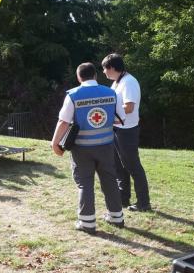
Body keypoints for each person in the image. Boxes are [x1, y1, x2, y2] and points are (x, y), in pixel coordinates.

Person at [51, 62, 124, 233]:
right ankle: (117, 217)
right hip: (106, 146)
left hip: (82, 148)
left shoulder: (73, 95)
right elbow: (120, 119)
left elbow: (63, 122)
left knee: (85, 183)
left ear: (79, 77)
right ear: (95, 76)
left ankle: (87, 223)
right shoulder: (112, 93)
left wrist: (55, 143)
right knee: (110, 180)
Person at [102, 53, 151, 212]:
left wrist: (108, 112)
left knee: (133, 166)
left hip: (127, 131)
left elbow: (129, 107)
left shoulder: (129, 82)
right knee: (119, 166)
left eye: (105, 68)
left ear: (112, 67)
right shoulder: (117, 82)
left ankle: (143, 203)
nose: (103, 72)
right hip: (117, 129)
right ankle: (123, 199)